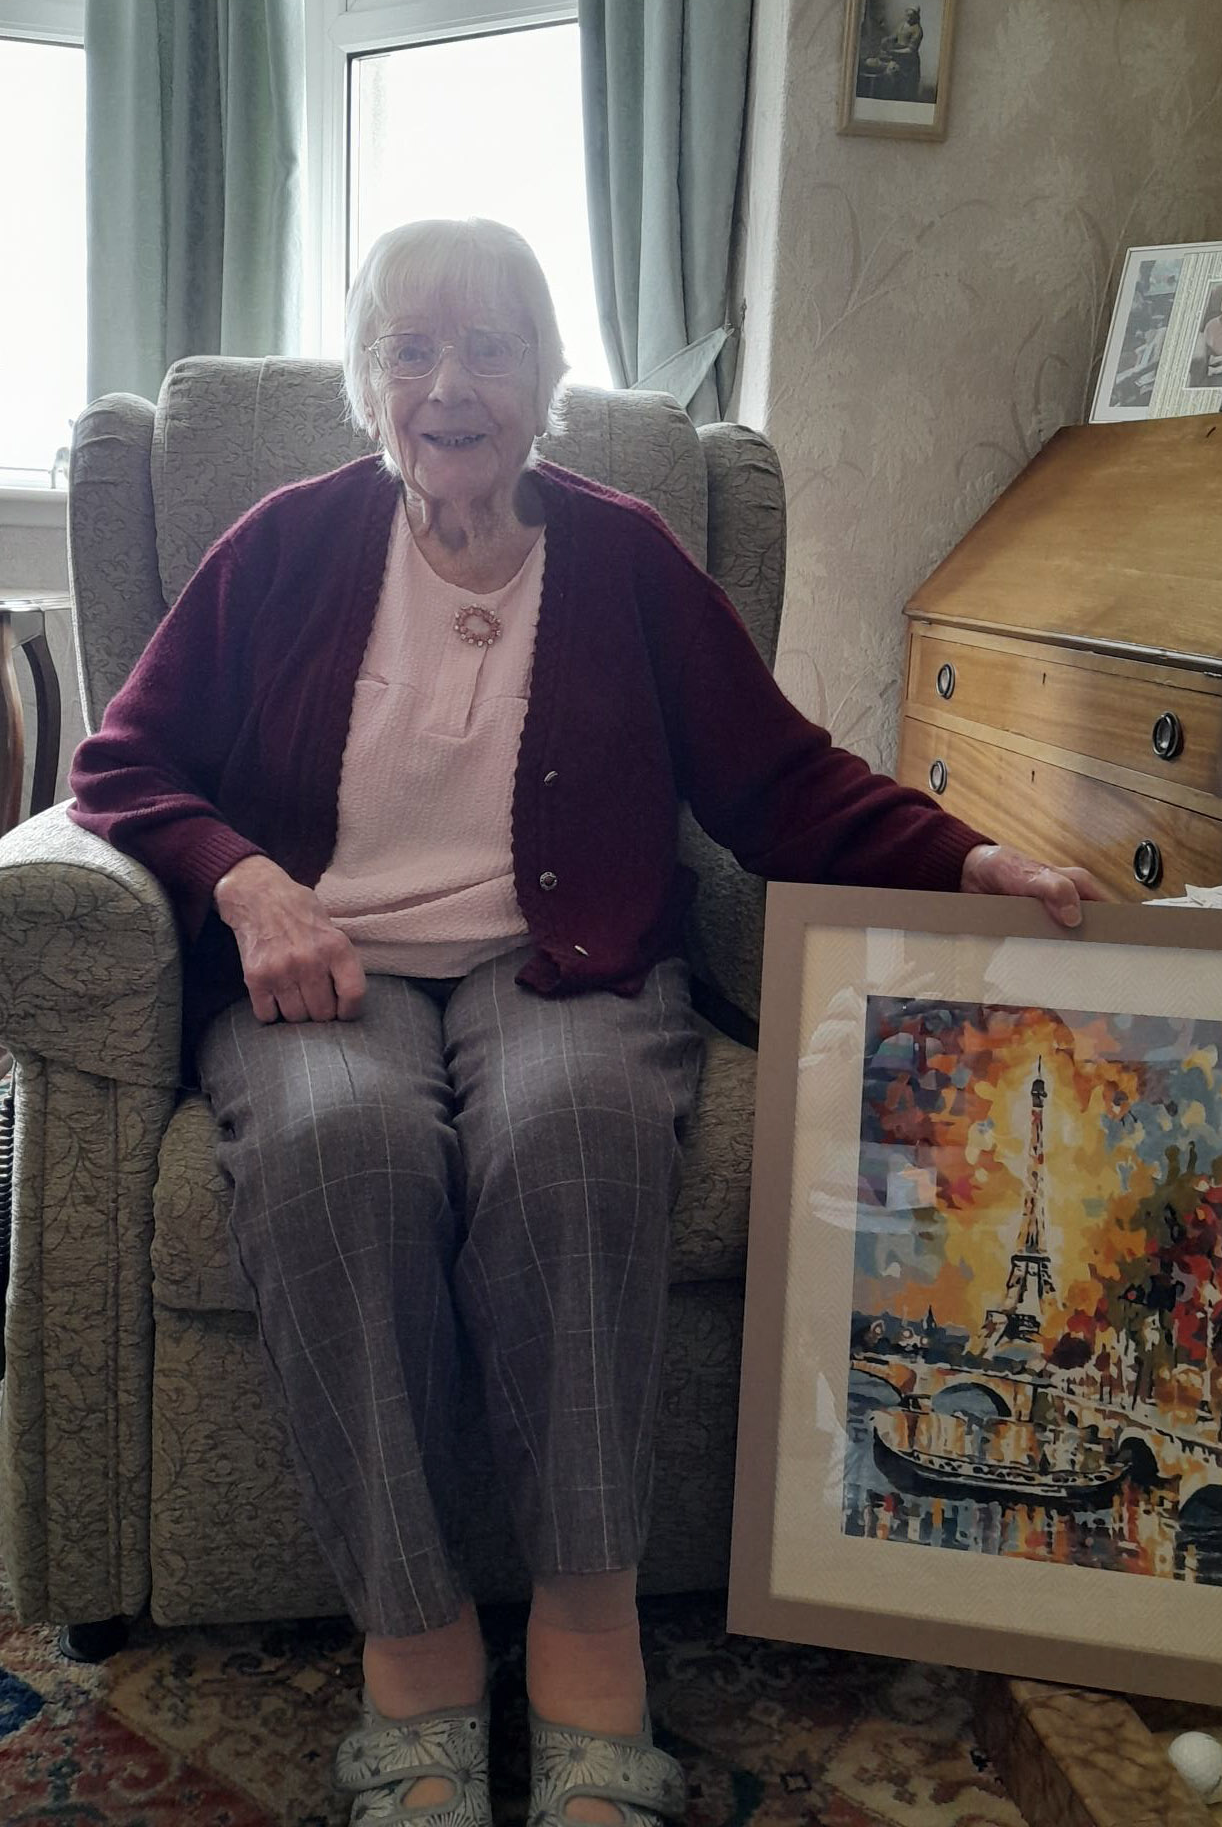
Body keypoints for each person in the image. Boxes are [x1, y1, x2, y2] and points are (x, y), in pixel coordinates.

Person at [69, 217, 1100, 1827]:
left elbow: (778, 779)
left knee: (579, 1133)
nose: (449, 382)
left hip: (568, 956)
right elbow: (120, 764)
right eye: (411, 348)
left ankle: (586, 1641)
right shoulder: (281, 544)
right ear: (368, 382)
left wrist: (975, 857)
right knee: (338, 1149)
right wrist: (249, 886)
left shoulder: (622, 554)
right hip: (327, 962)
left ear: (550, 377)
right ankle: (412, 1643)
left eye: (489, 347)